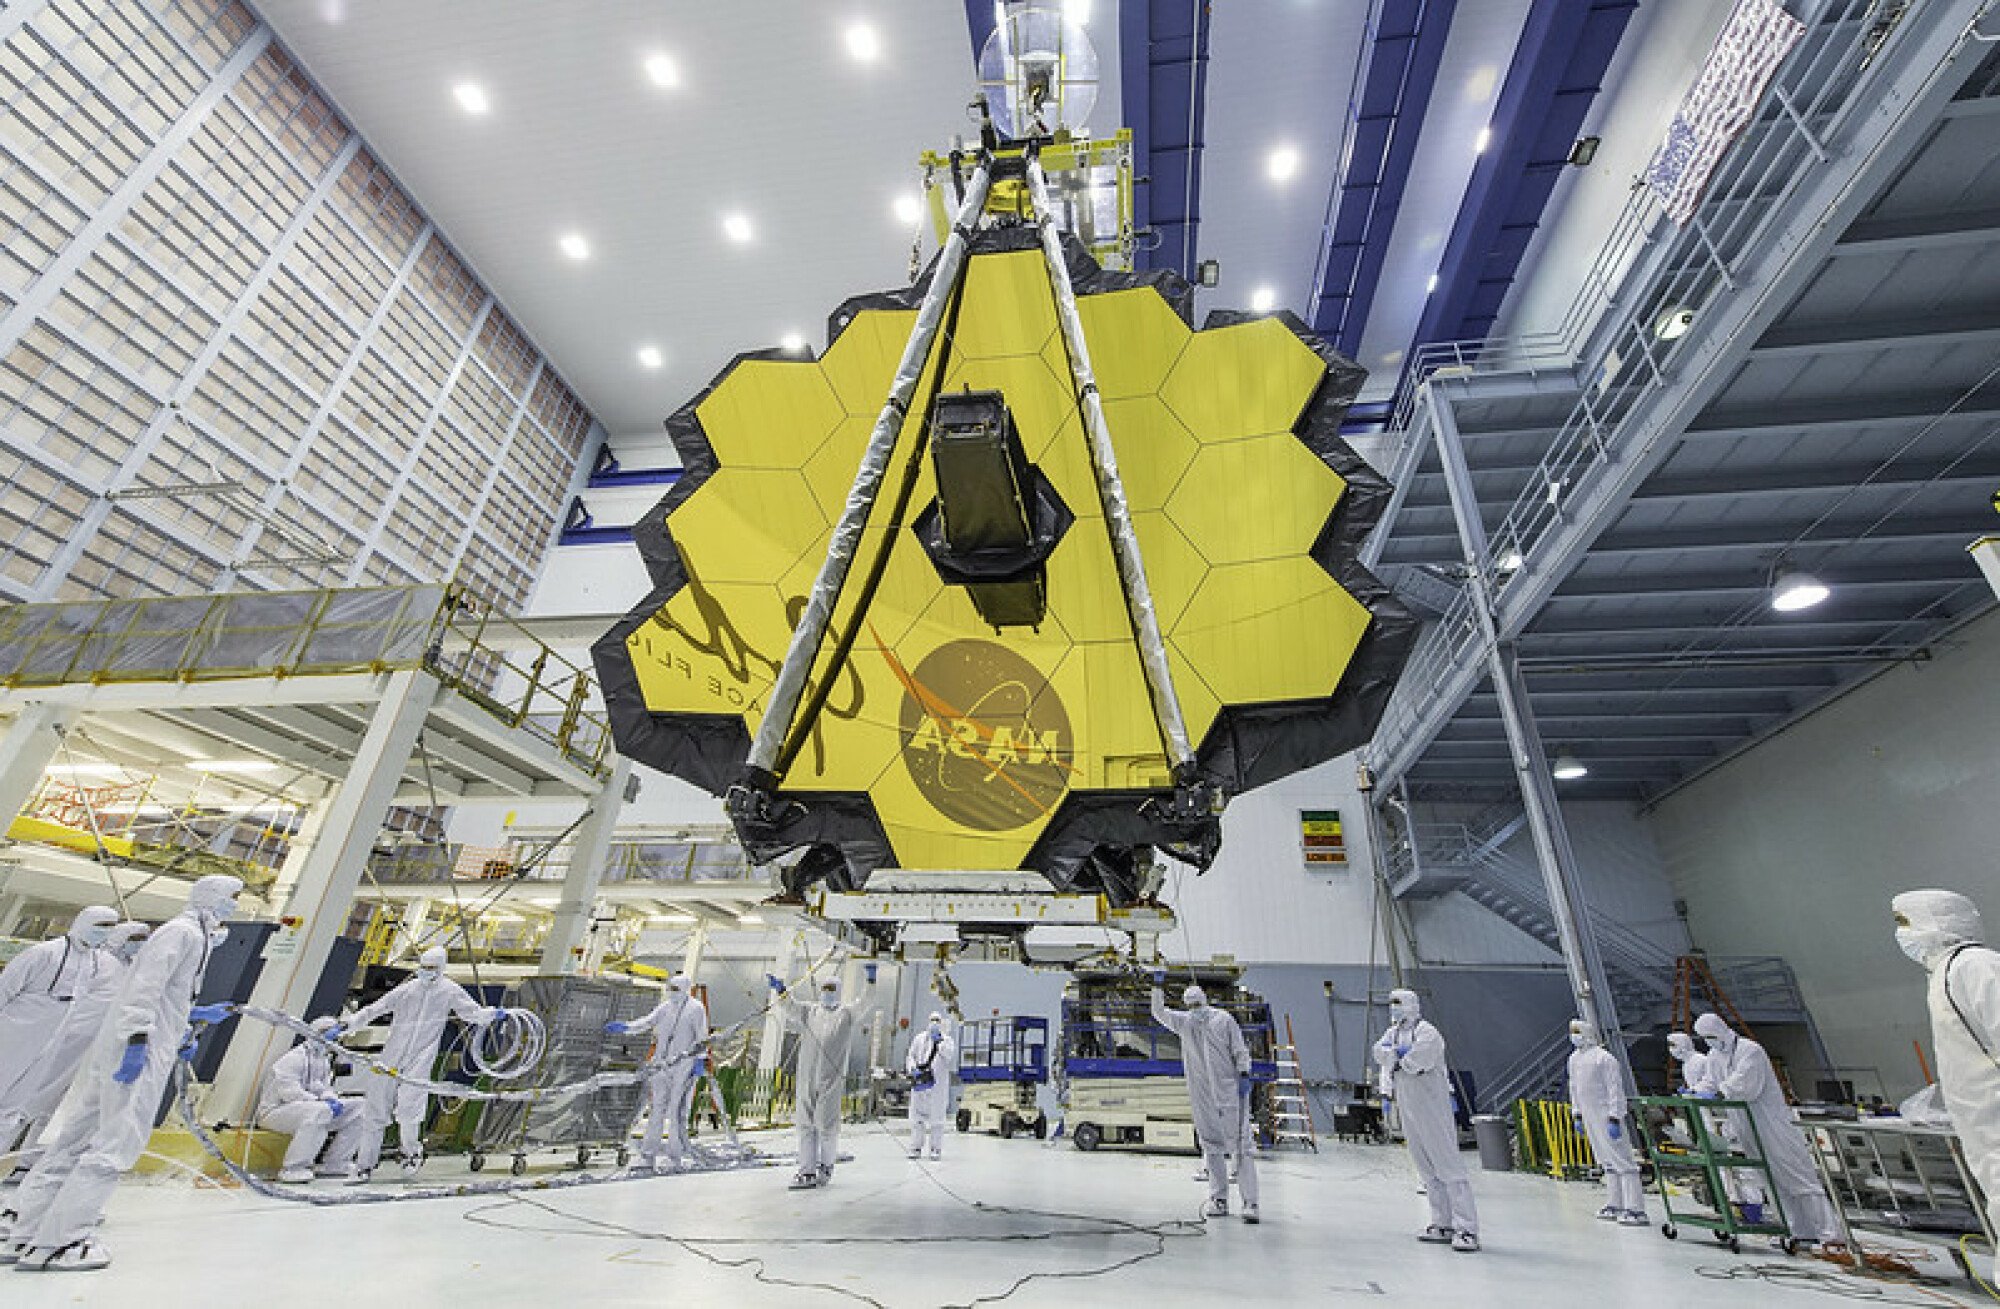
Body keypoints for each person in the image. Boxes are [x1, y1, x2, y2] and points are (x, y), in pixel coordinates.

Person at [0, 876, 241, 1272]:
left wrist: (185, 1025)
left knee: (74, 1141)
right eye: (232, 897)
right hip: (137, 1054)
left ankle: (27, 1233)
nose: (234, 905)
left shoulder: (189, 937)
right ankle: (64, 1241)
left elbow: (163, 996)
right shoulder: (182, 934)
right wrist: (138, 1041)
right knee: (115, 1145)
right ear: (213, 897)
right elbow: (142, 992)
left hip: (135, 1046)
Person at [1891, 888, 2000, 1284]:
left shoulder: (1975, 966)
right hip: (1985, 1131)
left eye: (1904, 923)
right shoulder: (1944, 974)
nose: (1900, 935)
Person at [330, 945, 502, 1180]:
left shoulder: (449, 990)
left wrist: (492, 1014)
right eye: (423, 967)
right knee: (375, 1109)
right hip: (392, 1055)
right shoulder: (408, 989)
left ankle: (411, 1153)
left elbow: (471, 1013)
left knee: (410, 1109)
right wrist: (346, 1026)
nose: (426, 972)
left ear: (441, 968)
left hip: (421, 1057)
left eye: (431, 968)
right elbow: (376, 1009)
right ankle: (364, 1165)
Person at [1, 923, 149, 1178]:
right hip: (61, 1041)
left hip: (87, 1048)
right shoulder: (98, 961)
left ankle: (25, 1162)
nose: (139, 944)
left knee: (51, 1106)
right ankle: (9, 1157)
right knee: (27, 1102)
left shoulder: (128, 970)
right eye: (135, 938)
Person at [1693, 1011, 1842, 1248]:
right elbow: (1710, 1081)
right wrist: (1695, 1091)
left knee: (1797, 1176)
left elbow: (1747, 1085)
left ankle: (1830, 1235)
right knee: (1770, 1180)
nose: (1708, 1041)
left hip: (1772, 1124)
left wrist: (1721, 1092)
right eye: (1703, 1038)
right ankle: (1794, 1229)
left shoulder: (1750, 1050)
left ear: (1720, 1030)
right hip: (1745, 1124)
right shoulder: (1714, 1055)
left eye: (1709, 1036)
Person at [1374, 988, 1478, 1252]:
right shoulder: (1395, 1032)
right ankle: (1441, 1222)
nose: (1394, 1008)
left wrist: (1396, 1057)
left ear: (1410, 1004)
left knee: (1448, 1166)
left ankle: (1466, 1228)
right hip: (1409, 1106)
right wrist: (1397, 1056)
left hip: (1433, 1107)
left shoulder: (1428, 1032)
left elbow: (1415, 1061)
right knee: (1426, 1167)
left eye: (1398, 1003)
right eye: (1391, 1004)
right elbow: (1379, 1052)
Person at [1151, 978, 1260, 1223]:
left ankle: (1250, 1203)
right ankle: (1219, 1200)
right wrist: (1156, 987)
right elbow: (1158, 1012)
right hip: (1202, 1094)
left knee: (1240, 1147)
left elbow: (1240, 1049)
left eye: (1198, 1005)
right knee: (1211, 1146)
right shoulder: (1185, 1023)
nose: (1195, 1010)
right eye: (1191, 1006)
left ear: (1205, 1002)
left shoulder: (1224, 1020)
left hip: (1230, 1092)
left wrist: (1244, 1073)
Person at [767, 973, 865, 1190]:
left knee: (826, 1127)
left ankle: (826, 1166)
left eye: (831, 988)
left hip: (830, 1080)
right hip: (806, 1077)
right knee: (805, 1126)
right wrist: (781, 990)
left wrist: (871, 981)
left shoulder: (846, 1014)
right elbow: (789, 1006)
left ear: (838, 990)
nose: (827, 992)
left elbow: (865, 1003)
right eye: (824, 988)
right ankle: (806, 1171)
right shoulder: (810, 1011)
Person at [606, 972, 708, 1171]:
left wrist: (700, 1060)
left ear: (686, 989)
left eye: (676, 989)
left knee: (678, 1111)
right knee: (656, 1110)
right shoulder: (665, 1008)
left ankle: (674, 1157)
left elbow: (702, 1037)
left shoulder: (696, 1009)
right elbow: (647, 1022)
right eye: (670, 988)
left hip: (683, 1066)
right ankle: (647, 1155)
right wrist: (626, 1027)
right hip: (661, 1065)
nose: (672, 992)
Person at [256, 1017, 365, 1184]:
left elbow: (323, 1087)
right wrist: (320, 1102)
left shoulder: (322, 1060)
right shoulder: (293, 1059)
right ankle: (293, 1168)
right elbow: (290, 1093)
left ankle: (336, 1163)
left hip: (309, 1109)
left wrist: (331, 1099)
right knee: (319, 1112)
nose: (333, 1041)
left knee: (361, 1108)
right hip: (275, 1112)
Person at [1566, 1018, 1645, 1225]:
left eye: (1578, 1032)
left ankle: (1635, 1208)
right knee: (1606, 1161)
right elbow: (1574, 1088)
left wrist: (1615, 1116)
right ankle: (1615, 1203)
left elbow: (1615, 1090)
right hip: (1589, 1115)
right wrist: (1577, 1114)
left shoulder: (1604, 1058)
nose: (1574, 1036)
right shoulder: (1574, 1059)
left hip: (1606, 1115)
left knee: (1623, 1161)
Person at [904, 1012, 957, 1161]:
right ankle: (915, 1147)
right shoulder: (919, 1039)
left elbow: (948, 1056)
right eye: (932, 1020)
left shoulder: (947, 1041)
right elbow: (911, 1055)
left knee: (937, 1120)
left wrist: (939, 1042)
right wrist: (912, 1068)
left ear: (941, 1023)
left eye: (937, 1020)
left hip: (937, 1087)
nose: (934, 1023)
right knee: (917, 1119)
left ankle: (935, 1149)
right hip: (921, 1083)